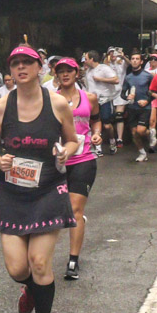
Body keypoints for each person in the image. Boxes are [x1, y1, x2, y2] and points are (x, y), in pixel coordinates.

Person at [0, 45, 77, 313]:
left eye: (27, 63)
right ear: (10, 70)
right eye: (15, 64)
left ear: (39, 68)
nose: (21, 68)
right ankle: (32, 289)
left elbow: (74, 139)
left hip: (49, 190)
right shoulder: (2, 106)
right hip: (12, 193)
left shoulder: (58, 103)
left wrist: (67, 151)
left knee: (39, 263)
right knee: (17, 268)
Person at [52, 58, 99, 281]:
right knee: (55, 211)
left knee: (75, 210)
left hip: (83, 159)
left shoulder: (89, 98)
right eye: (60, 71)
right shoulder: (50, 99)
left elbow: (96, 119)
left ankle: (73, 260)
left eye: (68, 70)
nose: (65, 74)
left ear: (76, 73)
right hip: (57, 161)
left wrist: (97, 132)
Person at [82, 51, 119, 156]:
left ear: (92, 59)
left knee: (107, 125)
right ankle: (98, 147)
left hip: (105, 100)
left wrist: (100, 79)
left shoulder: (104, 68)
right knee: (93, 123)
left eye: (86, 58)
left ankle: (112, 142)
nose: (85, 61)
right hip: (93, 101)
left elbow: (116, 80)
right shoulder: (88, 71)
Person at [122, 52, 154, 162]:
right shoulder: (128, 77)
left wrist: (147, 101)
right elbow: (122, 93)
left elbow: (153, 92)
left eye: (137, 59)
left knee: (141, 131)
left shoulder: (148, 76)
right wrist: (127, 97)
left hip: (145, 108)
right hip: (132, 108)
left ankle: (150, 133)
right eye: (133, 59)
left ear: (141, 62)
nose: (134, 60)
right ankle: (142, 153)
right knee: (134, 133)